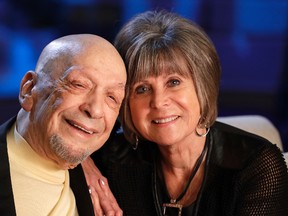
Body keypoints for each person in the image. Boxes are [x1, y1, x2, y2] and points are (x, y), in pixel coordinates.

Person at [84, 10, 288, 215]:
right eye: (142, 89)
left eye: (173, 82)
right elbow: (58, 135)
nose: (159, 102)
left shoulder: (257, 166)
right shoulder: (111, 159)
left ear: (203, 86)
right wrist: (83, 163)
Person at [0, 34, 126, 216]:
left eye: (112, 98)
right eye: (79, 84)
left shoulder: (115, 175)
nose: (96, 110)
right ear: (29, 90)